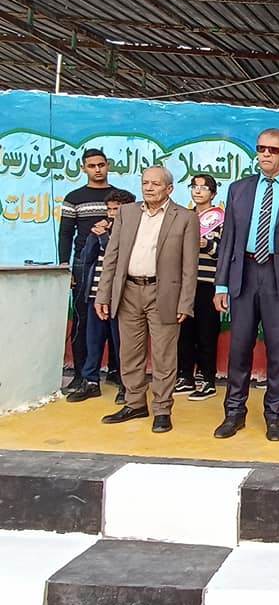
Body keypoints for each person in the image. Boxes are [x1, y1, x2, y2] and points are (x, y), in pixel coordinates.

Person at [213, 128, 279, 442]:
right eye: (261, 149)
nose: (265, 155)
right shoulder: (239, 189)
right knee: (239, 349)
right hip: (244, 274)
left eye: (272, 150)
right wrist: (221, 285)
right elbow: (228, 239)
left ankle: (274, 416)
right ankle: (234, 414)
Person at [95, 167, 199, 434]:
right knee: (129, 352)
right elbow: (112, 257)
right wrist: (103, 294)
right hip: (128, 291)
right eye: (145, 183)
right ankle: (135, 403)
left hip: (164, 293)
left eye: (155, 183)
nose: (149, 188)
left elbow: (190, 266)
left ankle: (162, 409)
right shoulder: (127, 213)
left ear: (169, 189)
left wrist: (185, 302)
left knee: (164, 355)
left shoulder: (185, 217)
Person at [66, 188, 136, 405]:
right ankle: (91, 382)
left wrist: (104, 236)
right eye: (109, 209)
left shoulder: (132, 230)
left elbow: (117, 256)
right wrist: (93, 236)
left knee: (122, 343)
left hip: (119, 297)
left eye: (116, 209)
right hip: (96, 294)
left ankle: (126, 385)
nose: (112, 213)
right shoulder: (102, 228)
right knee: (93, 341)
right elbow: (87, 256)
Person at [59, 148, 112, 392]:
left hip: (113, 263)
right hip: (83, 264)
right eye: (92, 166)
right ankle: (81, 375)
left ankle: (116, 373)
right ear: (83, 169)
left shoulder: (119, 197)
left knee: (115, 320)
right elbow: (65, 234)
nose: (97, 169)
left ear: (108, 165)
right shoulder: (74, 197)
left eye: (101, 164)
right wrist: (65, 267)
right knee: (82, 319)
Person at [174, 174, 223, 402]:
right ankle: (185, 376)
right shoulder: (185, 217)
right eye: (194, 186)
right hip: (185, 282)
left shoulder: (221, 219)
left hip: (208, 282)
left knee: (206, 332)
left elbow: (225, 252)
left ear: (213, 193)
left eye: (204, 188)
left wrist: (207, 244)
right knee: (184, 331)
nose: (198, 191)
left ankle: (207, 379)